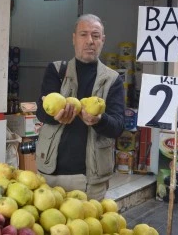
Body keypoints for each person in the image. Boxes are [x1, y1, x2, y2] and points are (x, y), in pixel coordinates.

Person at [35, 14, 125, 200]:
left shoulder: (113, 79)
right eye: (83, 34)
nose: (90, 41)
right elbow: (41, 112)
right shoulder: (56, 70)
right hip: (50, 174)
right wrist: (56, 115)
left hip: (91, 179)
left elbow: (118, 126)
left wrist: (99, 120)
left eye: (95, 35)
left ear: (103, 40)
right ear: (73, 38)